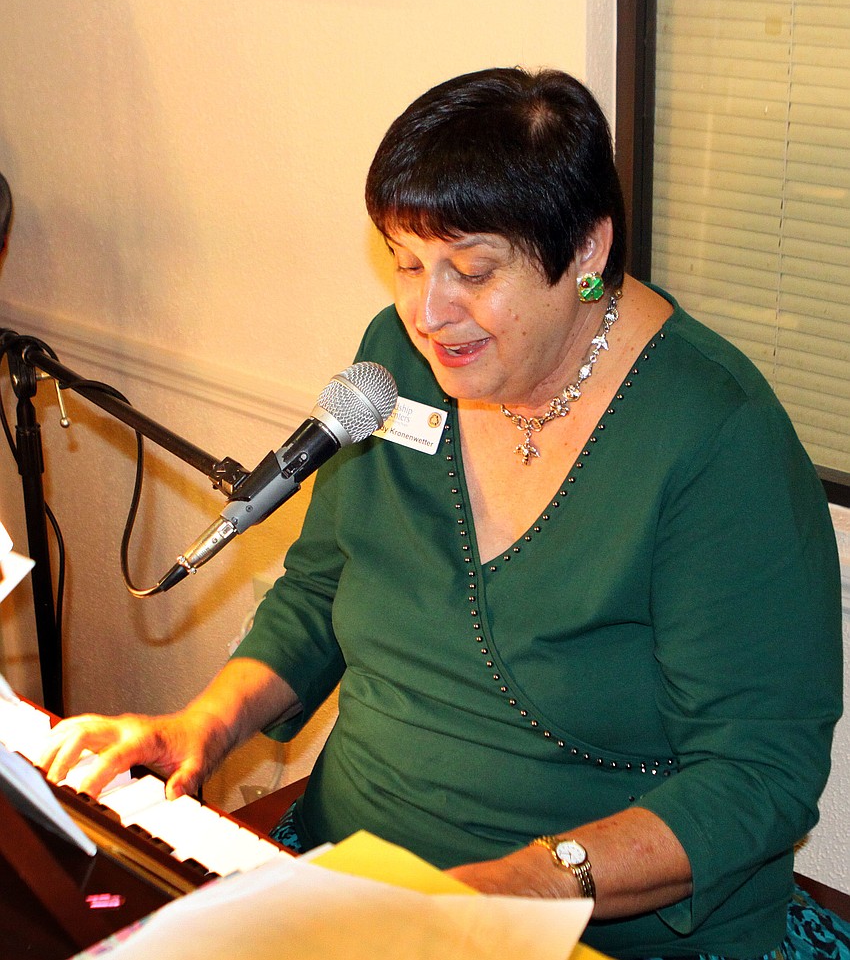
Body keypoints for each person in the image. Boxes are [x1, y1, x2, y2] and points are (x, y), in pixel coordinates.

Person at [39, 68, 845, 960]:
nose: (428, 313)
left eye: (472, 270)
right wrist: (204, 724)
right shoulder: (397, 364)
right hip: (353, 873)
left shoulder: (715, 436)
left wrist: (519, 886)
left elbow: (757, 776)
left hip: (606, 932)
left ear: (585, 253)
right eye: (406, 262)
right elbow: (323, 584)